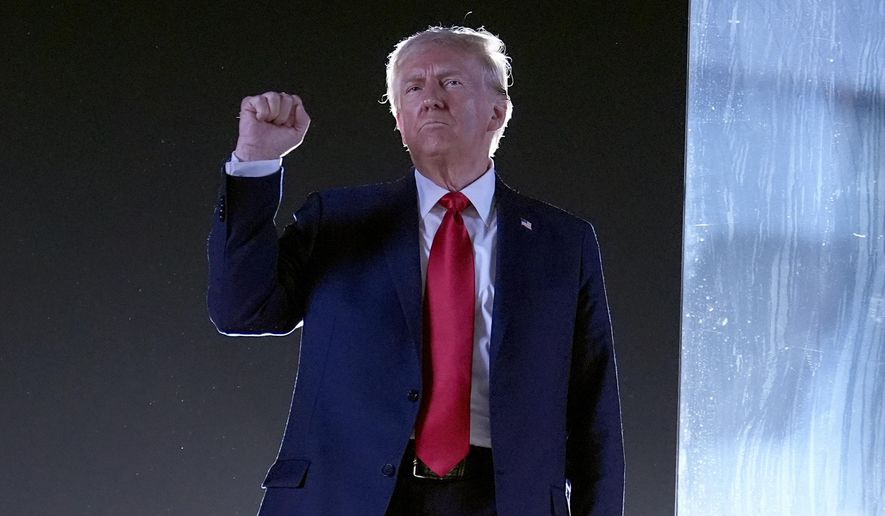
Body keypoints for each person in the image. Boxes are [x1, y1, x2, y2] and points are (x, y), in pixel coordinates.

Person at [208, 26, 624, 516]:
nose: (430, 99)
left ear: (497, 111)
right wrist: (257, 163)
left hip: (504, 499)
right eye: (413, 88)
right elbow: (242, 310)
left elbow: (594, 410)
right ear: (401, 120)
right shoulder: (337, 219)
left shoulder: (562, 242)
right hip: (345, 497)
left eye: (450, 83)